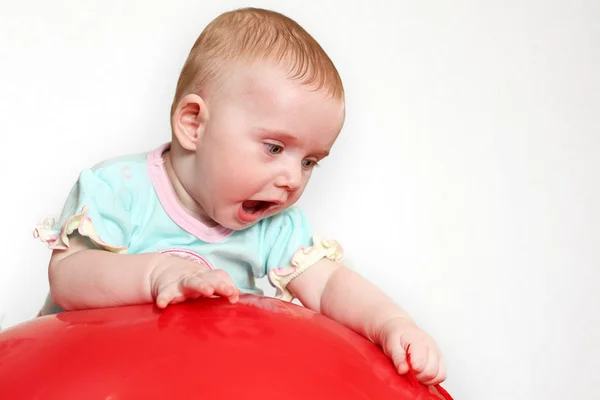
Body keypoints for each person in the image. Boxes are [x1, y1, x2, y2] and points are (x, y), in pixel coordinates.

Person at [33, 7, 446, 386]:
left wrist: (391, 323)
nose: (292, 179)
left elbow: (330, 285)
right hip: (93, 380)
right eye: (274, 148)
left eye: (310, 162)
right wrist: (158, 275)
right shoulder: (119, 188)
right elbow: (68, 277)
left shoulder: (274, 228)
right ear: (194, 124)